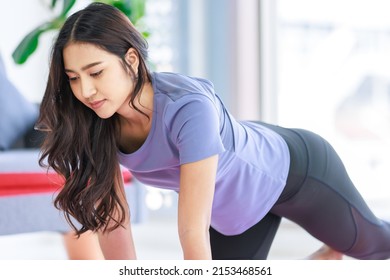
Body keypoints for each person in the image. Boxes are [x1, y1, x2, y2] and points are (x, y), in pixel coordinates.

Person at [36, 2, 390, 260]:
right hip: (234, 213)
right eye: (73, 78)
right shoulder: (95, 123)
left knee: (373, 246)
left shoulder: (188, 108)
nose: (85, 91)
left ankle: (338, 248)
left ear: (131, 59)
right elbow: (114, 222)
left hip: (293, 172)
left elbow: (191, 230)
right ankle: (327, 258)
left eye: (96, 73)